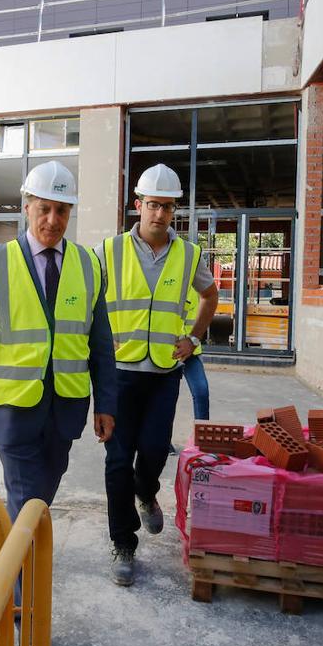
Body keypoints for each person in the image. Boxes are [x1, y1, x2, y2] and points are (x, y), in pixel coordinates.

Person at [0, 160, 117, 603]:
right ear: (27, 208)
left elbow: (101, 343)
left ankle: (19, 575)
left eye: (62, 211)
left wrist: (107, 404)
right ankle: (20, 600)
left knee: (39, 502)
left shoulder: (88, 265)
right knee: (26, 501)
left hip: (65, 410)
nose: (53, 220)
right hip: (13, 409)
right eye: (44, 208)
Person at [96, 163, 219, 587]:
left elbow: (210, 295)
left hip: (164, 372)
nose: (160, 214)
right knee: (116, 460)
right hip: (118, 375)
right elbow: (90, 303)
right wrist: (97, 344)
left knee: (151, 451)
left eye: (168, 207)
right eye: (153, 205)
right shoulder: (108, 251)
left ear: (174, 210)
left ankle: (146, 492)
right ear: (138, 205)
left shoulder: (188, 255)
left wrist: (194, 339)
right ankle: (123, 543)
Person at [181, 288, 210, 421]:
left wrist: (193, 340)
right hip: (166, 350)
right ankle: (163, 441)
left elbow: (209, 300)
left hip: (190, 351)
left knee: (201, 392)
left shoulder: (195, 280)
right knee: (162, 399)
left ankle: (202, 434)